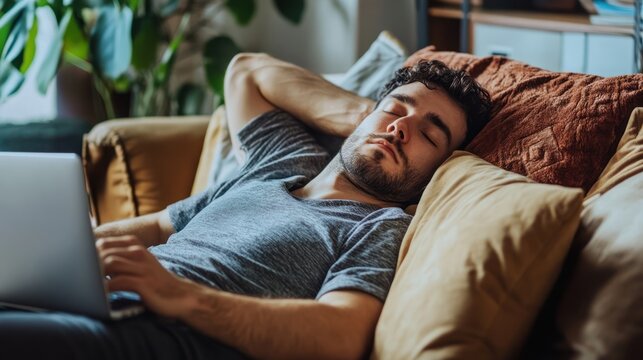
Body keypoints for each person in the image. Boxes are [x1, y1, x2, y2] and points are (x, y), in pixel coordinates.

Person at [0, 53, 491, 359]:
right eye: (395, 109)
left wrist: (181, 297)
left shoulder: (381, 225)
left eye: (429, 133)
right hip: (103, 301)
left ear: (438, 168)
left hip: (166, 334)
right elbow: (247, 71)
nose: (401, 127)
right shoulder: (285, 160)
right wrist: (62, 249)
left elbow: (342, 334)